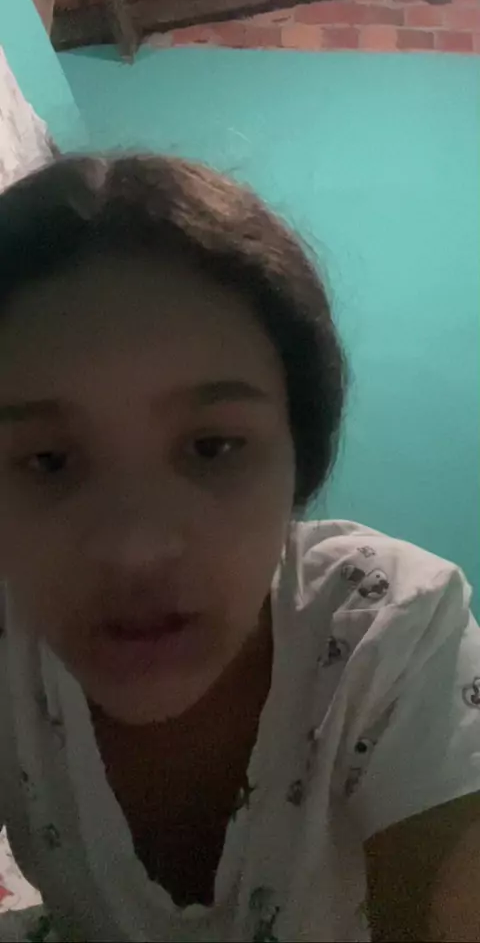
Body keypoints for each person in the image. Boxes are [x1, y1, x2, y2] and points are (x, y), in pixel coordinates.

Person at [0, 154, 478, 943]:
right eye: (48, 461)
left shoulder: (391, 631)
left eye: (213, 447)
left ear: (300, 461)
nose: (136, 550)